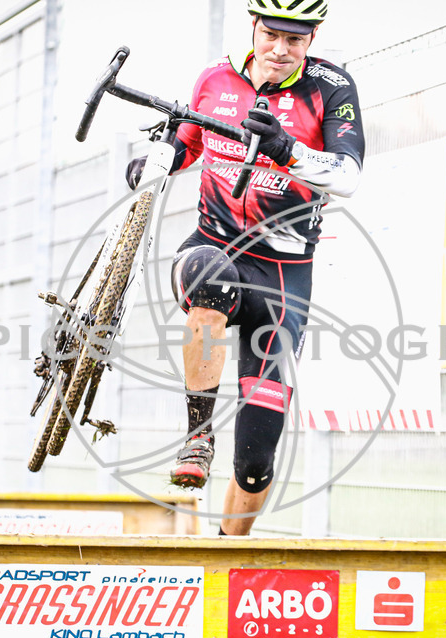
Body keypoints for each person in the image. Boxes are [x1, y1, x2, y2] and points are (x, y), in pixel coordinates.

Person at [126, 0, 364, 535]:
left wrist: (289, 151)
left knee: (256, 460)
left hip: (283, 275)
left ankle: (226, 555)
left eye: (295, 40)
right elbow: (186, 143)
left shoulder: (331, 88)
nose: (280, 49)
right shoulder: (215, 78)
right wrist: (157, 163)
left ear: (313, 37)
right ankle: (198, 437)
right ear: (253, 26)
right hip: (213, 245)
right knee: (209, 274)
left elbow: (348, 174)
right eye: (271, 34)